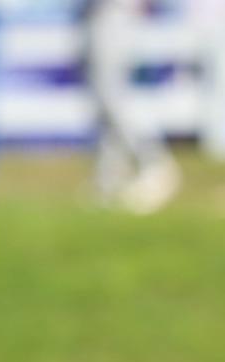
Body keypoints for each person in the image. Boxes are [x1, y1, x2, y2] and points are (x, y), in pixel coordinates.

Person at [84, 0, 180, 212]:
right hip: (102, 13)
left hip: (113, 12)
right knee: (104, 102)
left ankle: (153, 160)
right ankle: (108, 181)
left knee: (110, 98)